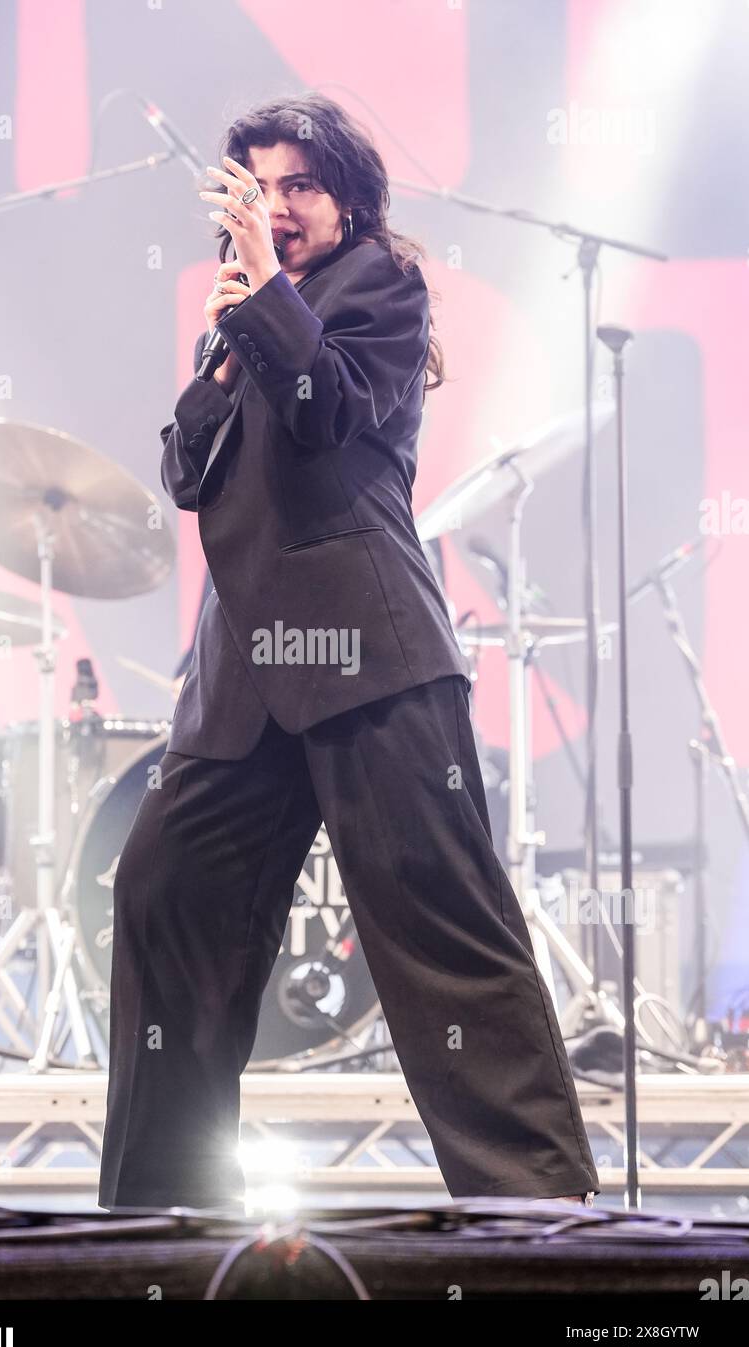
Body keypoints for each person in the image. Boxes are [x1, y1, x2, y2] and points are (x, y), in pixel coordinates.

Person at [97, 93, 600, 1214]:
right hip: (241, 681)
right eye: (256, 189)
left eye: (298, 188)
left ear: (346, 201)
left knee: (441, 927)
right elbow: (187, 475)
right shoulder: (238, 320)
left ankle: (542, 1221)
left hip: (372, 661)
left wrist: (265, 301)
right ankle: (157, 1217)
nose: (275, 209)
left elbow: (326, 408)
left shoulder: (377, 285)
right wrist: (224, 353)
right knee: (162, 891)